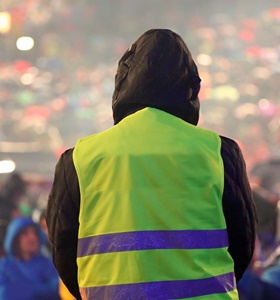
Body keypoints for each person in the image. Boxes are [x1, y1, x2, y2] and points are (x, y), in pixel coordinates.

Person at [46, 29, 257, 300]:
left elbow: (63, 249)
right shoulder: (218, 151)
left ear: (123, 81)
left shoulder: (80, 158)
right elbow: (242, 242)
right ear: (190, 85)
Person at [0, 216, 60, 299]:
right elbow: (5, 294)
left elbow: (60, 288)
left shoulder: (48, 263)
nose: (32, 237)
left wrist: (25, 290)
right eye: (25, 233)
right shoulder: (4, 267)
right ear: (14, 239)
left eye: (35, 233)